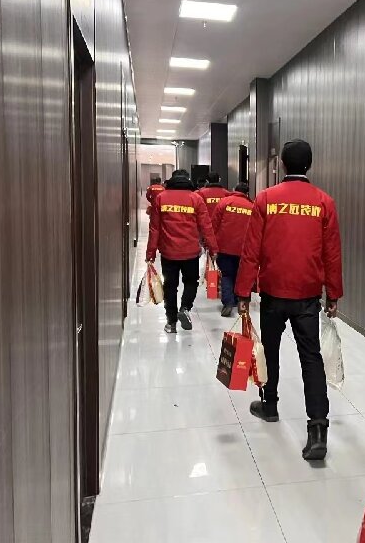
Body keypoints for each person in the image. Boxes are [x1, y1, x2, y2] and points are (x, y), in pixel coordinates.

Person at [235, 139, 343, 461]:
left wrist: (243, 292)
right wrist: (333, 293)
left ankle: (269, 405)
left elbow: (251, 249)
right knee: (311, 358)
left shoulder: (266, 199)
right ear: (309, 165)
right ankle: (318, 430)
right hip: (307, 295)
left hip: (273, 291)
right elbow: (332, 253)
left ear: (282, 164)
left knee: (269, 350)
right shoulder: (324, 202)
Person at [146, 169, 218, 333]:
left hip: (168, 252)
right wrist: (213, 249)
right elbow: (206, 227)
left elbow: (154, 229)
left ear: (172, 180)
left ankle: (171, 323)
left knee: (170, 286)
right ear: (187, 180)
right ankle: (185, 307)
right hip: (190, 252)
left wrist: (150, 253)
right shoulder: (196, 198)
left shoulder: (161, 198)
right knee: (191, 282)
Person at [212, 182, 254, 318]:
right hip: (244, 248)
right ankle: (238, 301)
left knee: (227, 275)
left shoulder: (225, 202)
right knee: (240, 275)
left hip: (224, 247)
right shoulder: (252, 206)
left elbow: (214, 224)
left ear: (234, 190)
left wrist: (211, 245)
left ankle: (228, 302)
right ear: (246, 193)